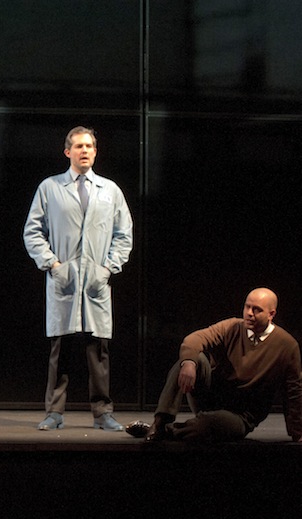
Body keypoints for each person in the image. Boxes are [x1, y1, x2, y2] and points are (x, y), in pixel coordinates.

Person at [23, 126, 133, 431]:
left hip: (96, 283)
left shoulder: (110, 191)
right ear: (67, 151)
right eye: (78, 146)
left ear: (95, 151)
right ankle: (54, 412)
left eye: (89, 146)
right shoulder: (50, 187)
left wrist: (108, 268)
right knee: (61, 350)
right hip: (65, 282)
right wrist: (53, 265)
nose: (84, 150)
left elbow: (124, 235)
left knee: (98, 351)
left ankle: (102, 413)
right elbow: (32, 231)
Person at [135, 288, 302, 443]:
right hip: (212, 398)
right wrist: (189, 364)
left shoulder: (286, 345)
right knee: (192, 359)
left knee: (212, 425)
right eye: (247, 307)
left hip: (240, 416)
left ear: (271, 314)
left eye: (257, 309)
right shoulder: (232, 327)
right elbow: (195, 339)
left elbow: (293, 390)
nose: (249, 313)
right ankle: (160, 423)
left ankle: (167, 431)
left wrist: (297, 432)